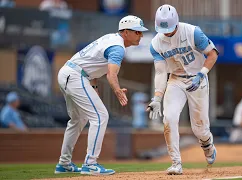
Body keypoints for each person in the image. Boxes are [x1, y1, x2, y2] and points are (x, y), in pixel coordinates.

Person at [55, 15, 148, 175]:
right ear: (126, 32)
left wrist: (94, 86)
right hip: (76, 76)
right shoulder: (117, 47)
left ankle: (64, 164)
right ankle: (90, 163)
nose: (141, 35)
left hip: (70, 73)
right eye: (137, 32)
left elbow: (95, 64)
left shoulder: (111, 39)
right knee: (100, 116)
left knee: (78, 120)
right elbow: (111, 75)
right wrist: (118, 91)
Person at [147, 4, 219, 175]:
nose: (166, 32)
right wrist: (157, 97)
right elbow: (160, 72)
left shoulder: (192, 32)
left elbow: (213, 54)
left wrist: (202, 74)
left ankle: (207, 145)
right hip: (176, 80)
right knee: (169, 118)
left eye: (169, 29)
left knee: (199, 129)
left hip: (197, 79)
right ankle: (176, 163)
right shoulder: (156, 43)